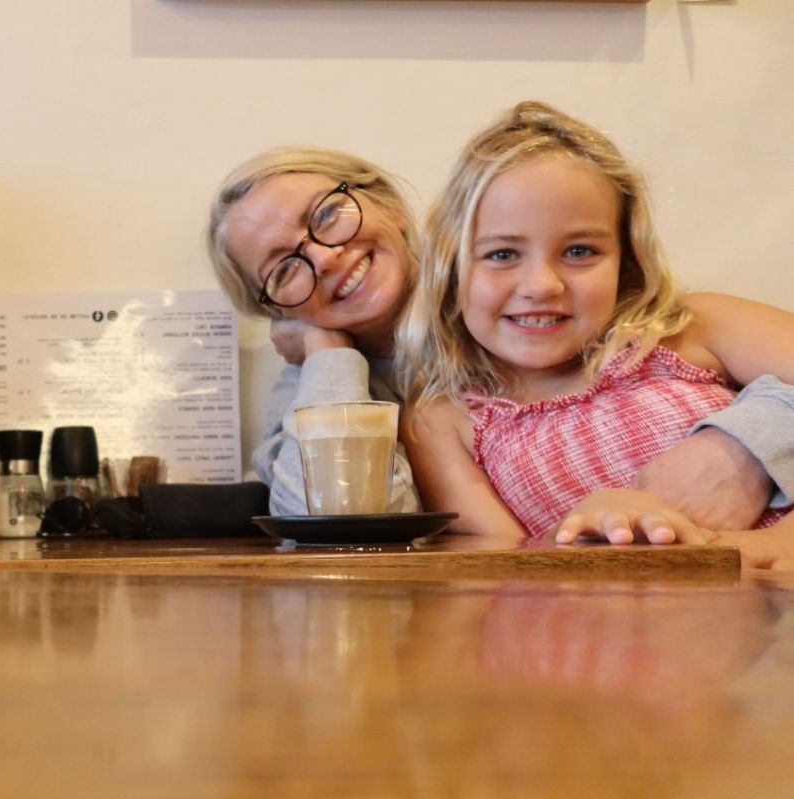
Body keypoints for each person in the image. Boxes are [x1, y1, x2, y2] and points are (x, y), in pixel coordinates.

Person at [206, 144, 794, 531]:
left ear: (390, 207)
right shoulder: (393, 408)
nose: (325, 256)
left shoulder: (558, 314)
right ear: (273, 310)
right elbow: (334, 526)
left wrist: (741, 446)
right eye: (282, 268)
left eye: (326, 215)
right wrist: (326, 356)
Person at [397, 100, 794, 565]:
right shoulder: (444, 420)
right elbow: (502, 574)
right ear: (451, 268)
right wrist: (590, 526)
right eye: (502, 255)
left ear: (626, 257)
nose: (542, 285)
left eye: (580, 251)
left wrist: (768, 525)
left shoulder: (692, 328)